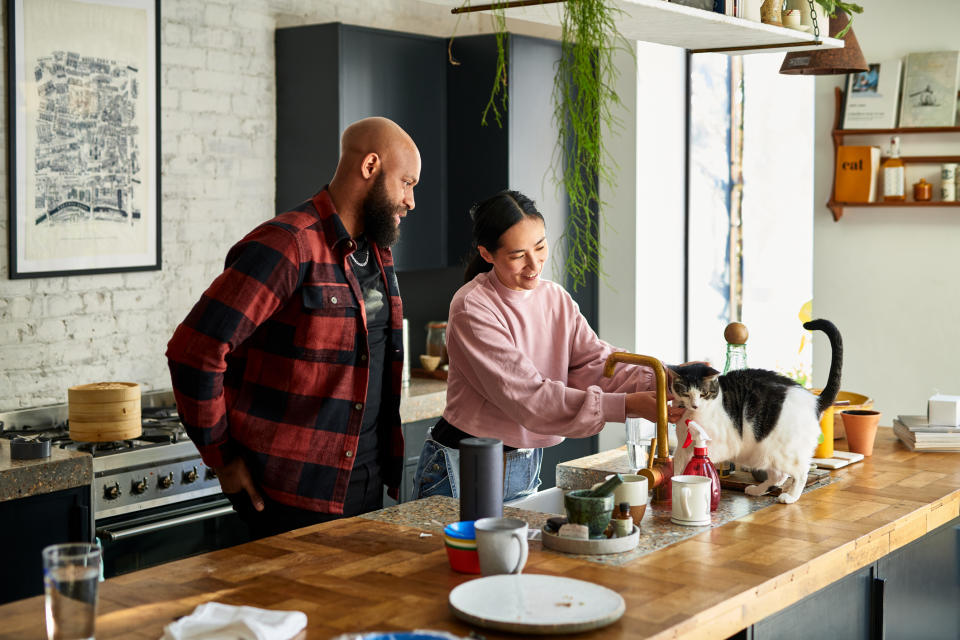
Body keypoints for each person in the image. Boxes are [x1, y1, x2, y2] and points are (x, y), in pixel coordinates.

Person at [166, 117, 421, 538]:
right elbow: (196, 351)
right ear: (370, 166)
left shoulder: (376, 252)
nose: (411, 201)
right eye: (407, 183)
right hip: (291, 498)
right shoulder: (288, 244)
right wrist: (222, 457)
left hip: (366, 488)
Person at [413, 190, 685, 502]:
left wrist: (669, 379)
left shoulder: (554, 298)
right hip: (459, 467)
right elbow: (530, 398)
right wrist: (628, 405)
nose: (534, 264)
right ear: (487, 254)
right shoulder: (472, 308)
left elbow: (596, 364)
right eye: (517, 256)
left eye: (540, 246)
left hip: (522, 463)